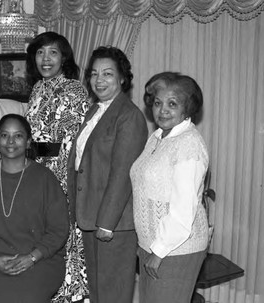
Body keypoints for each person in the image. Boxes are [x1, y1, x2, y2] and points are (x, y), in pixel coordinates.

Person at [67, 46, 148, 303]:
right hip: (91, 216)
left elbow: (123, 172)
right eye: (93, 74)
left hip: (113, 223)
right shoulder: (95, 110)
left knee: (113, 294)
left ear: (122, 78)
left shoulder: (129, 116)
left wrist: (106, 222)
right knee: (99, 293)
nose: (98, 80)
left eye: (107, 74)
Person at [0, 114, 69, 303]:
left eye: (18, 136)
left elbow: (59, 229)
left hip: (39, 260)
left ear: (28, 142)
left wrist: (32, 257)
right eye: (4, 135)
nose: (10, 141)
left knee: (26, 297)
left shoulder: (45, 179)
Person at [130, 72, 209, 303]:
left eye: (172, 104)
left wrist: (159, 251)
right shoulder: (158, 137)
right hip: (152, 245)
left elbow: (183, 207)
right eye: (157, 102)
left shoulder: (188, 144)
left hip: (175, 249)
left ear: (188, 108)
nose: (162, 110)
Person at [25, 31, 89, 302]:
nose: (46, 58)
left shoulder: (74, 89)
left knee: (64, 237)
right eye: (40, 52)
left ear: (64, 57)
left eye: (53, 52)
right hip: (35, 171)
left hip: (60, 175)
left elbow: (72, 143)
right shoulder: (38, 88)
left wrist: (52, 175)